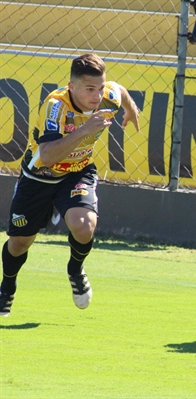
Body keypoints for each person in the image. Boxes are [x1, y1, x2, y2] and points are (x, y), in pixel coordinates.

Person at [0, 53, 140, 316]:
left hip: (78, 173)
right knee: (19, 243)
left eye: (99, 88)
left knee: (84, 226)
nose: (97, 96)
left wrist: (131, 109)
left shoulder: (106, 96)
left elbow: (118, 90)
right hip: (40, 176)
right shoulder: (56, 105)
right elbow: (49, 156)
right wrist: (85, 130)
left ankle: (75, 270)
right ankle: (7, 287)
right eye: (89, 89)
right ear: (72, 86)